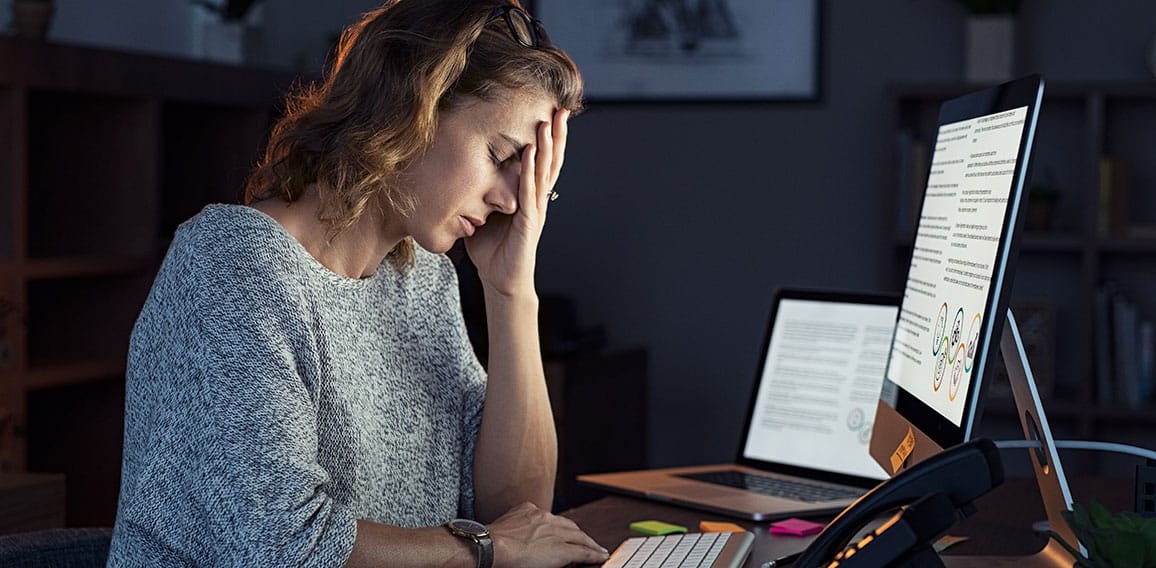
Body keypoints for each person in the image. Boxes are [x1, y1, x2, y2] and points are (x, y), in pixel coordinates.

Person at [107, 1, 610, 566]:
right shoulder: (232, 263)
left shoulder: (422, 280)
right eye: (501, 156)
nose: (514, 200)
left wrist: (511, 291)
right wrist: (489, 548)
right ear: (412, 104)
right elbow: (280, 547)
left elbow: (518, 515)